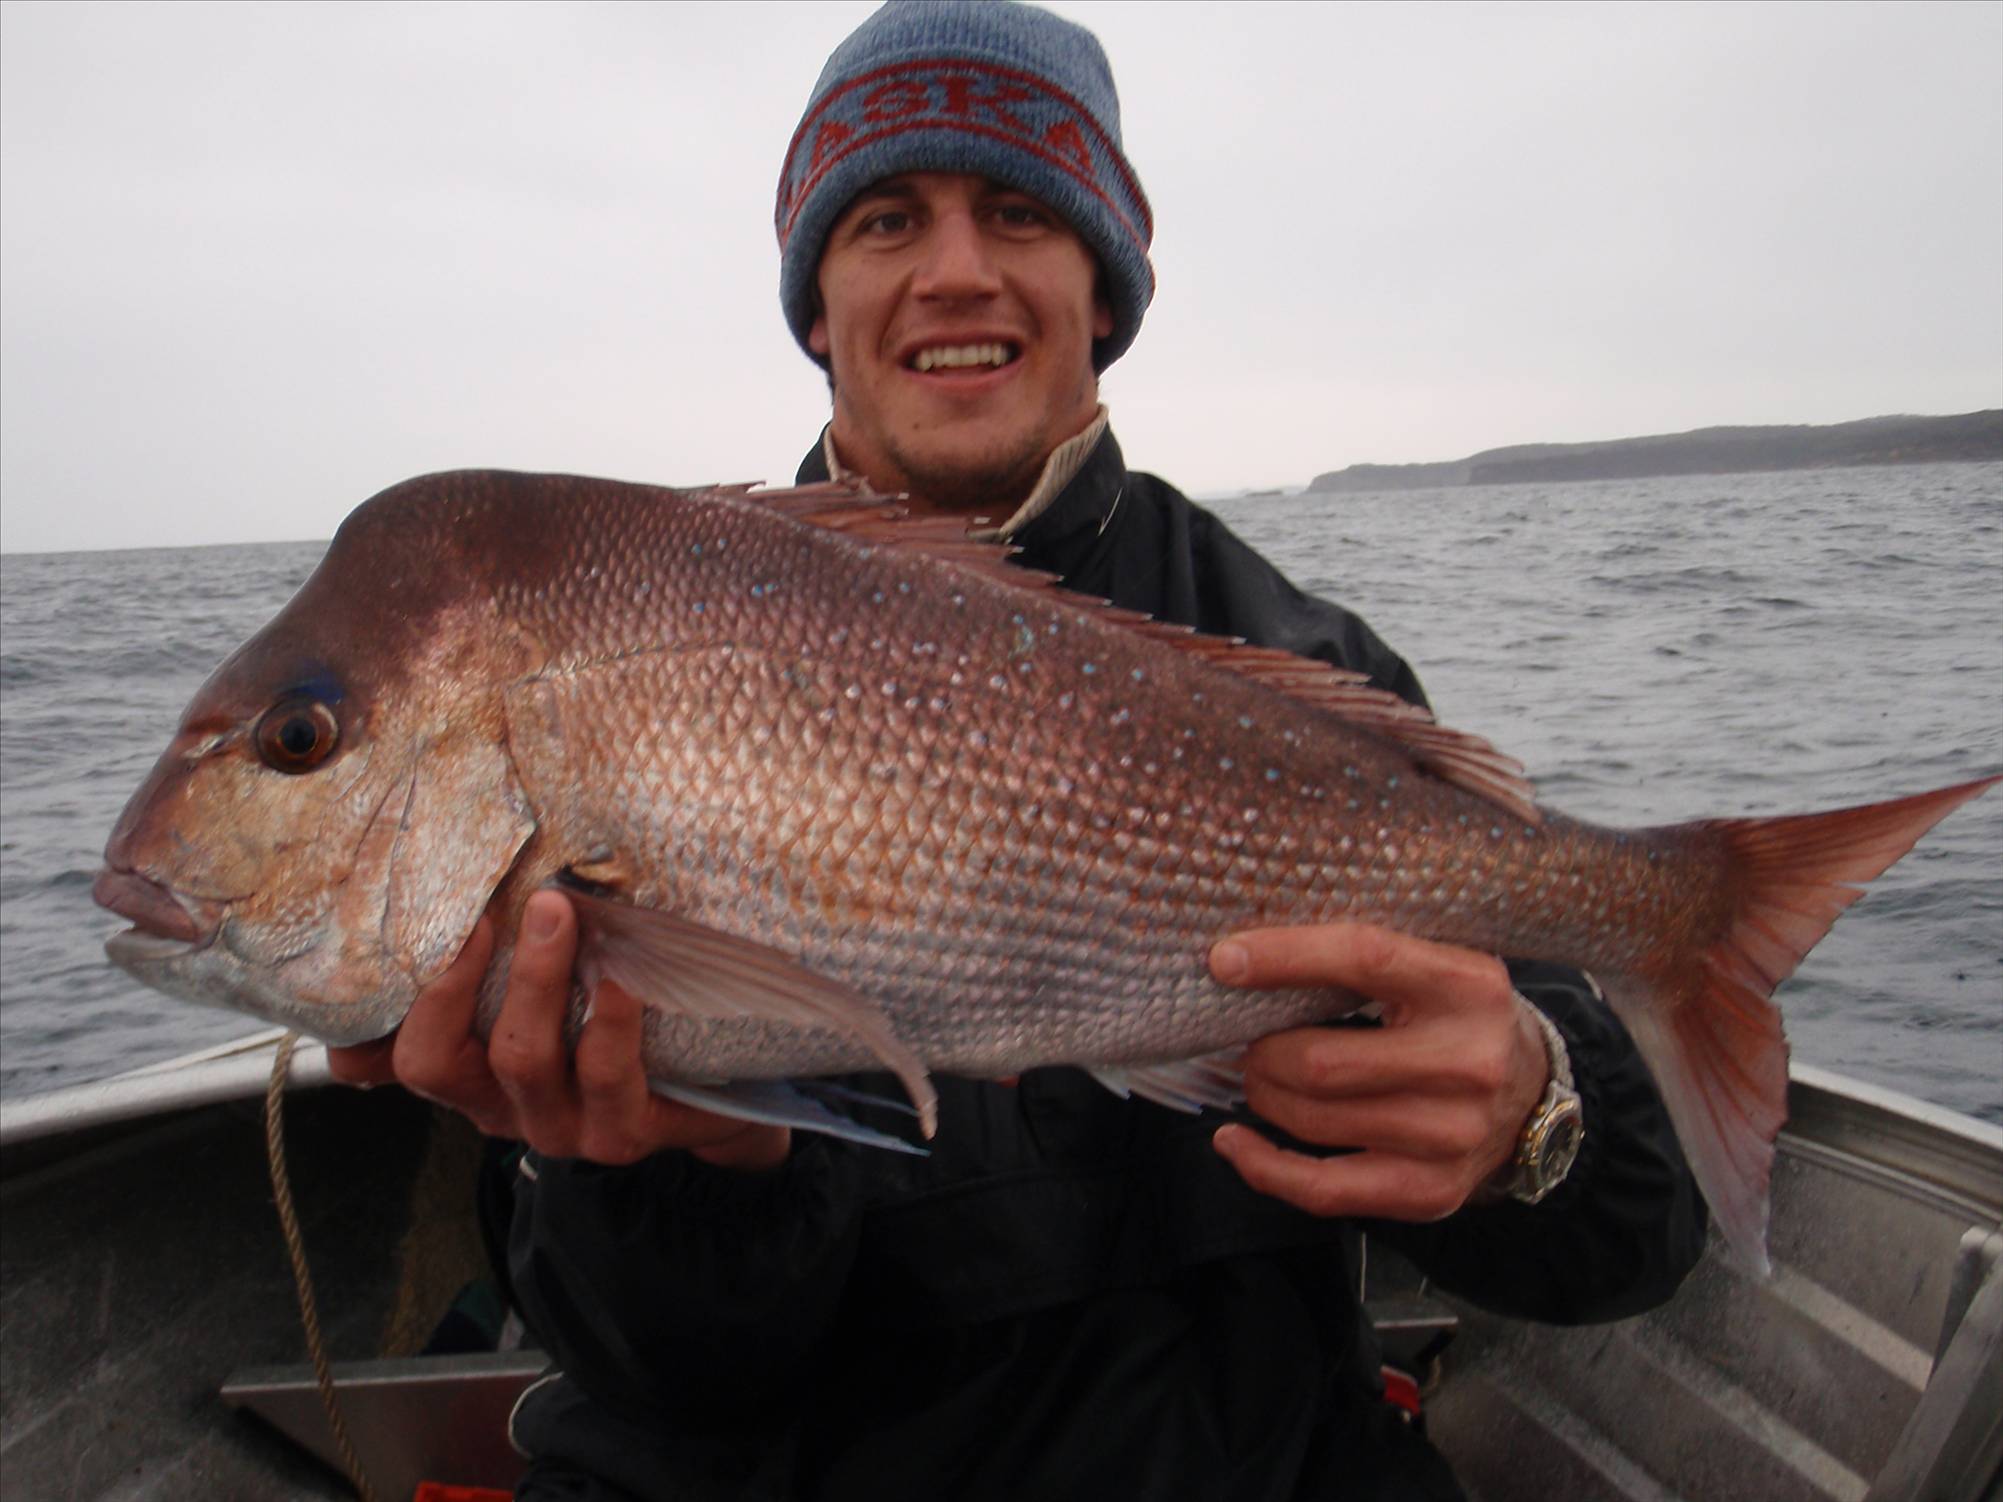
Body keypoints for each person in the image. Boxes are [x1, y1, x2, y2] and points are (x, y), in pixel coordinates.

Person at [330, 4, 1707, 1497]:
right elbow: (663, 1373)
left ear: (1104, 286)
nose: (955, 271)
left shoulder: (1308, 678)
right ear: (815, 306)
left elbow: (1635, 1243)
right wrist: (667, 1166)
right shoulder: (627, 653)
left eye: (1019, 212)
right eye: (885, 219)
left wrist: (1532, 1116)